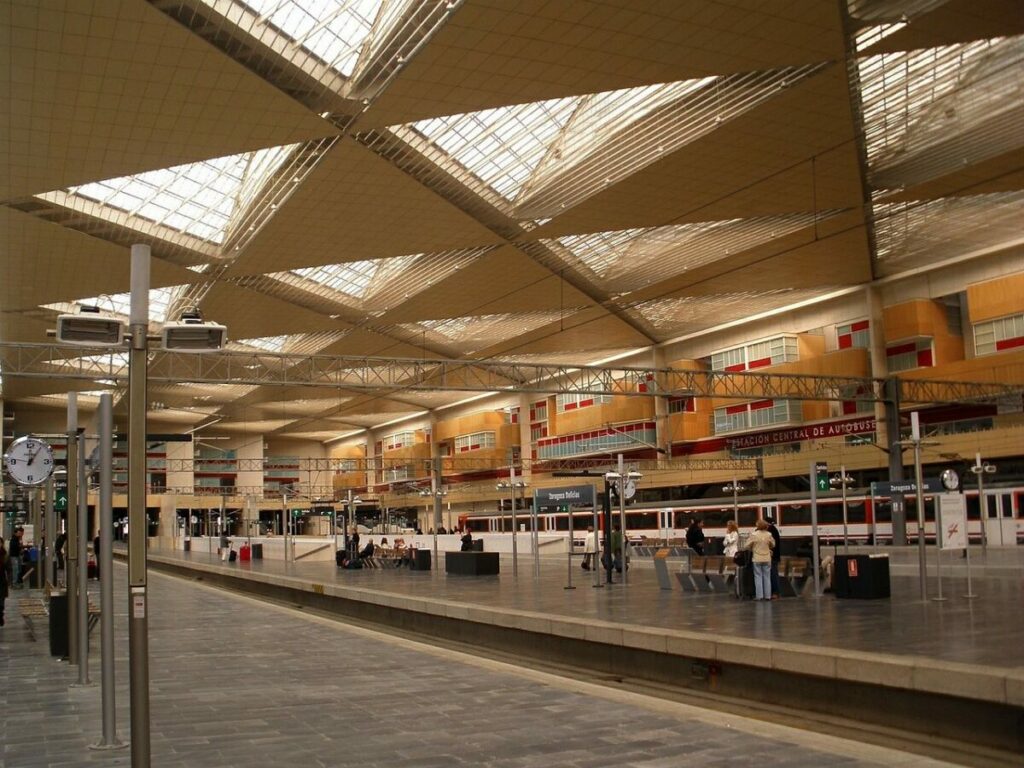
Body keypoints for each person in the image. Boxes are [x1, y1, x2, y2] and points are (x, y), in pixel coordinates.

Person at [744, 519, 775, 601]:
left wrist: (752, 547)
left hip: (757, 558)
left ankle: (759, 596)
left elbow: (746, 545)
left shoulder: (754, 535)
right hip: (767, 557)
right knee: (767, 577)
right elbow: (773, 544)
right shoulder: (769, 534)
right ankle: (768, 595)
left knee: (758, 577)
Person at [765, 516, 782, 599]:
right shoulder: (774, 530)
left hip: (772, 556)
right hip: (774, 556)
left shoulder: (770, 531)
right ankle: (774, 592)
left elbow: (772, 544)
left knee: (773, 574)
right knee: (773, 574)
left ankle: (775, 592)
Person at [0, 537, 11, 626]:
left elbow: (9, 569)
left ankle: (0, 615)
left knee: (1, 602)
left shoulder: (5, 555)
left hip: (2, 581)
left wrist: (10, 580)